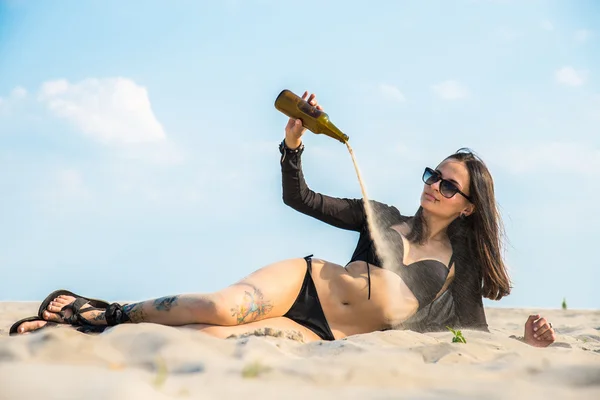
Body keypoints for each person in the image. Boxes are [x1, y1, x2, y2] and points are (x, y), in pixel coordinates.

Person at [10, 91, 556, 348]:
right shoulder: (384, 216)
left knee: (205, 337)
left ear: (469, 205)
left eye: (448, 184)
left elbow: (471, 336)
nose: (433, 186)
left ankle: (75, 330)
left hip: (324, 333)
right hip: (304, 282)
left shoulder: (457, 270)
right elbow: (303, 200)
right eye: (432, 175)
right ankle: (100, 312)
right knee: (219, 307)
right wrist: (293, 146)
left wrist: (528, 344)